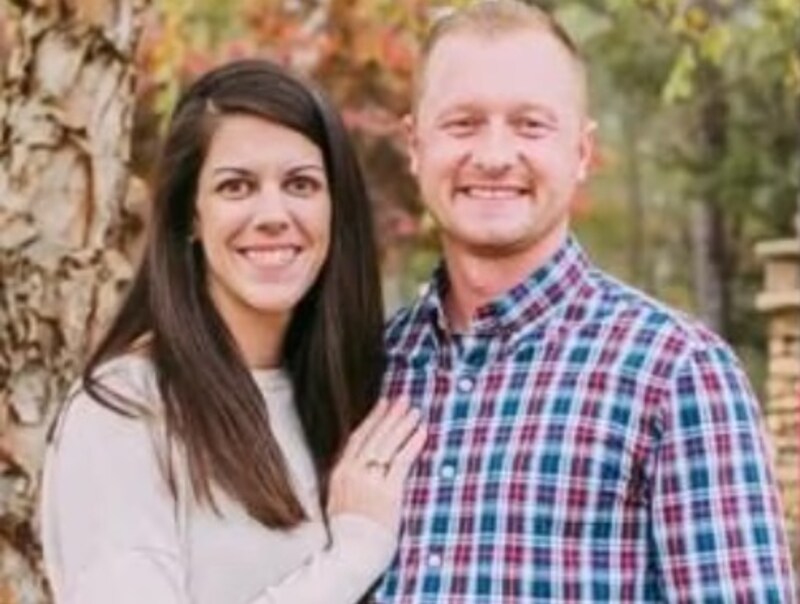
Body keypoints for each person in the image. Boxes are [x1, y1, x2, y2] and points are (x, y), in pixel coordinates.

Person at [374, 1, 797, 602]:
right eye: (463, 123)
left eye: (530, 125)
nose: (494, 156)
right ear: (415, 145)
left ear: (581, 152)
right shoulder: (368, 367)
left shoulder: (677, 373)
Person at [41, 59, 426, 604]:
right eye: (236, 186)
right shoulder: (127, 410)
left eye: (300, 184)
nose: (273, 214)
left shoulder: (348, 398)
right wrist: (354, 555)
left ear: (335, 210)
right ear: (191, 217)